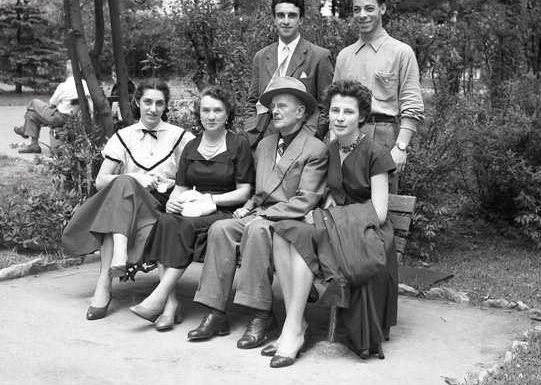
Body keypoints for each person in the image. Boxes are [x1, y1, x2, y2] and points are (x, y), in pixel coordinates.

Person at [187, 77, 328, 350]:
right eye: (273, 106)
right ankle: (216, 311)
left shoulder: (315, 149)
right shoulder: (265, 145)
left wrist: (263, 215)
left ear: (300, 111)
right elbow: (261, 191)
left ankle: (262, 314)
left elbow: (305, 200)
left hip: (290, 221)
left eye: (282, 106)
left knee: (257, 229)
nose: (275, 111)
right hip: (260, 214)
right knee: (221, 228)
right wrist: (248, 207)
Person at [270, 80, 398, 367]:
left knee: (302, 237)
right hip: (334, 225)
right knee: (283, 231)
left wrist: (329, 216)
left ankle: (292, 331)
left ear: (361, 117)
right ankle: (295, 323)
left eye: (348, 112)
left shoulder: (376, 153)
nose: (340, 118)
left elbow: (378, 212)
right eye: (335, 110)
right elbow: (330, 191)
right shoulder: (329, 149)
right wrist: (326, 203)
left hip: (366, 233)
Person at [61, 78, 194, 321]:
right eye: (147, 102)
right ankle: (111, 271)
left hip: (162, 205)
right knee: (123, 182)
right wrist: (135, 177)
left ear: (166, 106)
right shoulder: (124, 136)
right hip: (128, 207)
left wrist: (169, 183)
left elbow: (194, 180)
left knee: (121, 189)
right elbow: (101, 180)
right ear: (137, 102)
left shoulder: (181, 137)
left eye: (159, 103)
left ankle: (106, 281)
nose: (153, 109)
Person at [129, 86, 255, 331]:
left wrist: (210, 201)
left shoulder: (238, 145)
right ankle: (170, 304)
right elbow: (181, 187)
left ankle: (159, 297)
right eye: (205, 110)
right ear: (199, 114)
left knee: (184, 227)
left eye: (217, 110)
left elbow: (244, 192)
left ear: (227, 114)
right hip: (193, 207)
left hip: (223, 210)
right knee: (166, 221)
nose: (211, 116)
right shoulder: (191, 146)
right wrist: (174, 201)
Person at [333, 0, 424, 191]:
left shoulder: (401, 53)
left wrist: (400, 147)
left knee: (383, 200)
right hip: (347, 134)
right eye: (357, 9)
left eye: (369, 8)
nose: (362, 15)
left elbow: (412, 103)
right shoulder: (344, 56)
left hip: (384, 136)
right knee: (344, 196)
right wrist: (333, 146)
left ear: (382, 8)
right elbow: (334, 106)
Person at [244, 0, 333, 150]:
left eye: (292, 15)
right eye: (280, 15)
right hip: (264, 140)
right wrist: (252, 133)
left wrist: (310, 137)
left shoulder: (319, 56)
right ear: (274, 19)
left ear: (301, 20)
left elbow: (325, 106)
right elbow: (252, 101)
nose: (286, 21)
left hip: (302, 140)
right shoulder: (261, 57)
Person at [14, 60, 90, 154]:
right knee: (32, 114)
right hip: (74, 118)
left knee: (33, 102)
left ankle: (23, 130)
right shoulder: (84, 84)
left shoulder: (63, 86)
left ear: (67, 72)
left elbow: (52, 103)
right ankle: (34, 146)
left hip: (59, 118)